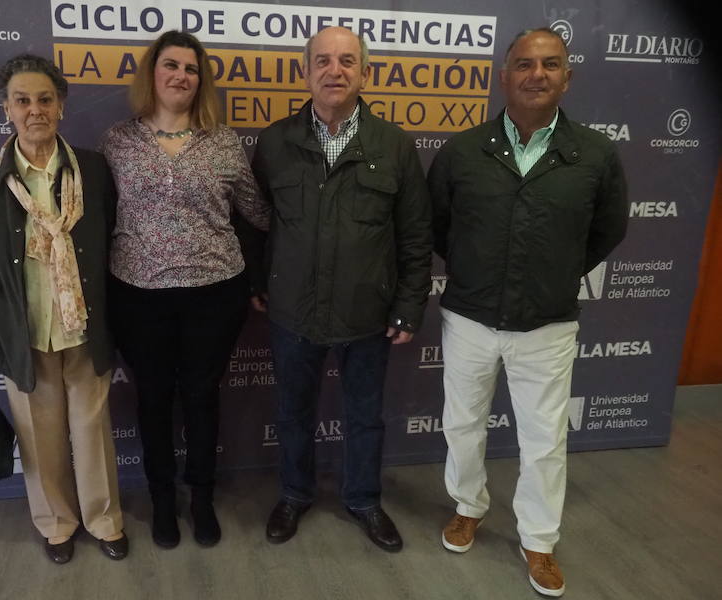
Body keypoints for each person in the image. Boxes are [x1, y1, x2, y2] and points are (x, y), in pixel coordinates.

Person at [428, 28, 628, 596]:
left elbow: (607, 230)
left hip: (548, 323)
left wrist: (556, 272)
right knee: (463, 425)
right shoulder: (464, 151)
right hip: (468, 315)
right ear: (504, 75)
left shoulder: (594, 154)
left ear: (568, 76)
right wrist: (475, 268)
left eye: (550, 64)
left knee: (543, 440)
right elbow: (438, 226)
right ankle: (468, 506)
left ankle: (538, 541)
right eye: (524, 64)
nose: (536, 74)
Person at [251, 26, 432, 553]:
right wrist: (263, 283)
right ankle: (294, 494)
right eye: (324, 61)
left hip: (367, 314)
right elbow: (257, 222)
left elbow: (416, 236)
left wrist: (408, 305)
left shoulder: (394, 145)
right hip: (293, 313)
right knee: (292, 413)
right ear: (306, 72)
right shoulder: (275, 141)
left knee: (364, 417)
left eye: (347, 61)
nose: (335, 71)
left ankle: (364, 500)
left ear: (364, 73)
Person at [100, 30, 269, 549]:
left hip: (214, 294)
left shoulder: (224, 142)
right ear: (152, 73)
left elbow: (257, 215)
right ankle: (162, 500)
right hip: (138, 295)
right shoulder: (117, 141)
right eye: (170, 65)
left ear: (201, 81)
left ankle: (200, 496)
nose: (180, 76)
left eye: (191, 69)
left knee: (200, 397)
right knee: (152, 399)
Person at [0, 54, 127, 565]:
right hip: (20, 331)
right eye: (23, 100)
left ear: (62, 106)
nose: (35, 110)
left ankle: (104, 519)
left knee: (92, 431)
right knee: (38, 435)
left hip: (84, 327)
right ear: (6, 109)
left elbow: (117, 244)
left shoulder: (92, 169)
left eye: (45, 99)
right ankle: (56, 524)